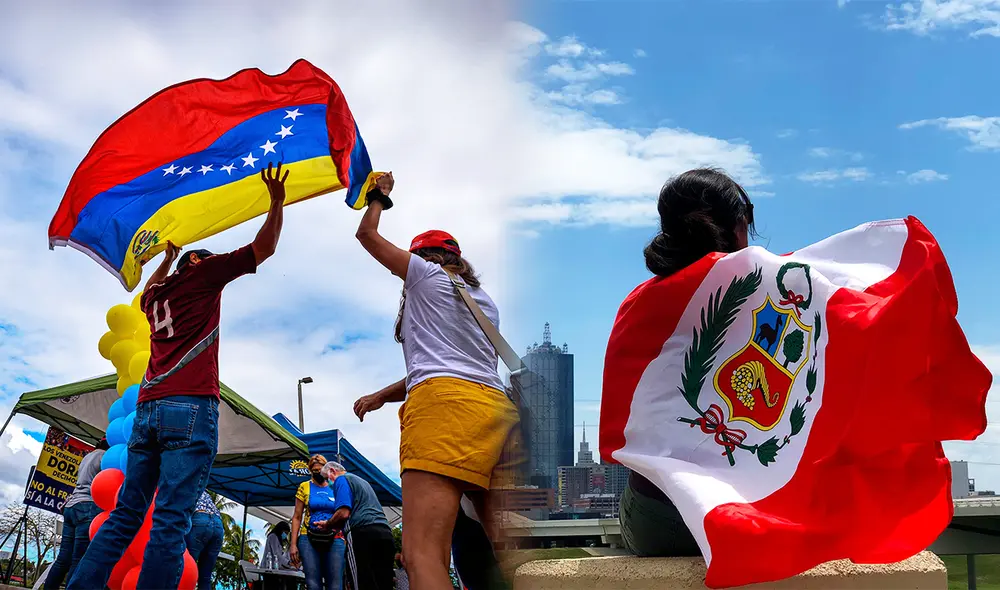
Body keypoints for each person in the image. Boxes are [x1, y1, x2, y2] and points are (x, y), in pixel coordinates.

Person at [68, 163, 291, 590]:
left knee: (127, 513)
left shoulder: (156, 298)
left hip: (148, 409)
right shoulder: (204, 275)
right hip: (189, 405)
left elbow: (150, 287)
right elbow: (264, 249)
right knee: (170, 519)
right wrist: (277, 202)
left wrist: (166, 260)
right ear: (200, 263)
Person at [351, 173, 519, 589]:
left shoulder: (424, 277)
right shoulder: (484, 302)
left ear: (424, 257)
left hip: (444, 410)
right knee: (511, 552)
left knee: (423, 555)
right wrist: (380, 396)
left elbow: (367, 235)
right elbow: (453, 363)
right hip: (498, 411)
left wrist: (378, 198)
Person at [615, 168, 755, 557]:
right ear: (740, 228)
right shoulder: (778, 292)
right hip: (753, 508)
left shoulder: (639, 302)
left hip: (660, 518)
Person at [313, 462, 394, 590]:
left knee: (362, 582)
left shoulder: (341, 479)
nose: (328, 483)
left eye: (327, 479)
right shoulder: (362, 482)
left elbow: (343, 512)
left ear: (332, 471)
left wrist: (328, 524)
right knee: (383, 582)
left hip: (362, 534)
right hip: (385, 532)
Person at [43, 438, 109, 589]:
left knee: (62, 559)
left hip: (72, 506)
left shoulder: (87, 456)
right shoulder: (105, 457)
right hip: (88, 505)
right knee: (78, 560)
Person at [291, 455, 346, 590]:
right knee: (312, 584)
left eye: (320, 470)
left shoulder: (335, 486)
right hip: (308, 537)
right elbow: (297, 517)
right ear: (310, 471)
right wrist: (293, 544)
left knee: (335, 584)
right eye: (314, 470)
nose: (317, 473)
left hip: (335, 537)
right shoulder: (305, 486)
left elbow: (343, 511)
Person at [185, 491, 225, 590]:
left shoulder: (186, 484)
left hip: (200, 518)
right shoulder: (205, 492)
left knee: (186, 569)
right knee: (206, 577)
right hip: (218, 525)